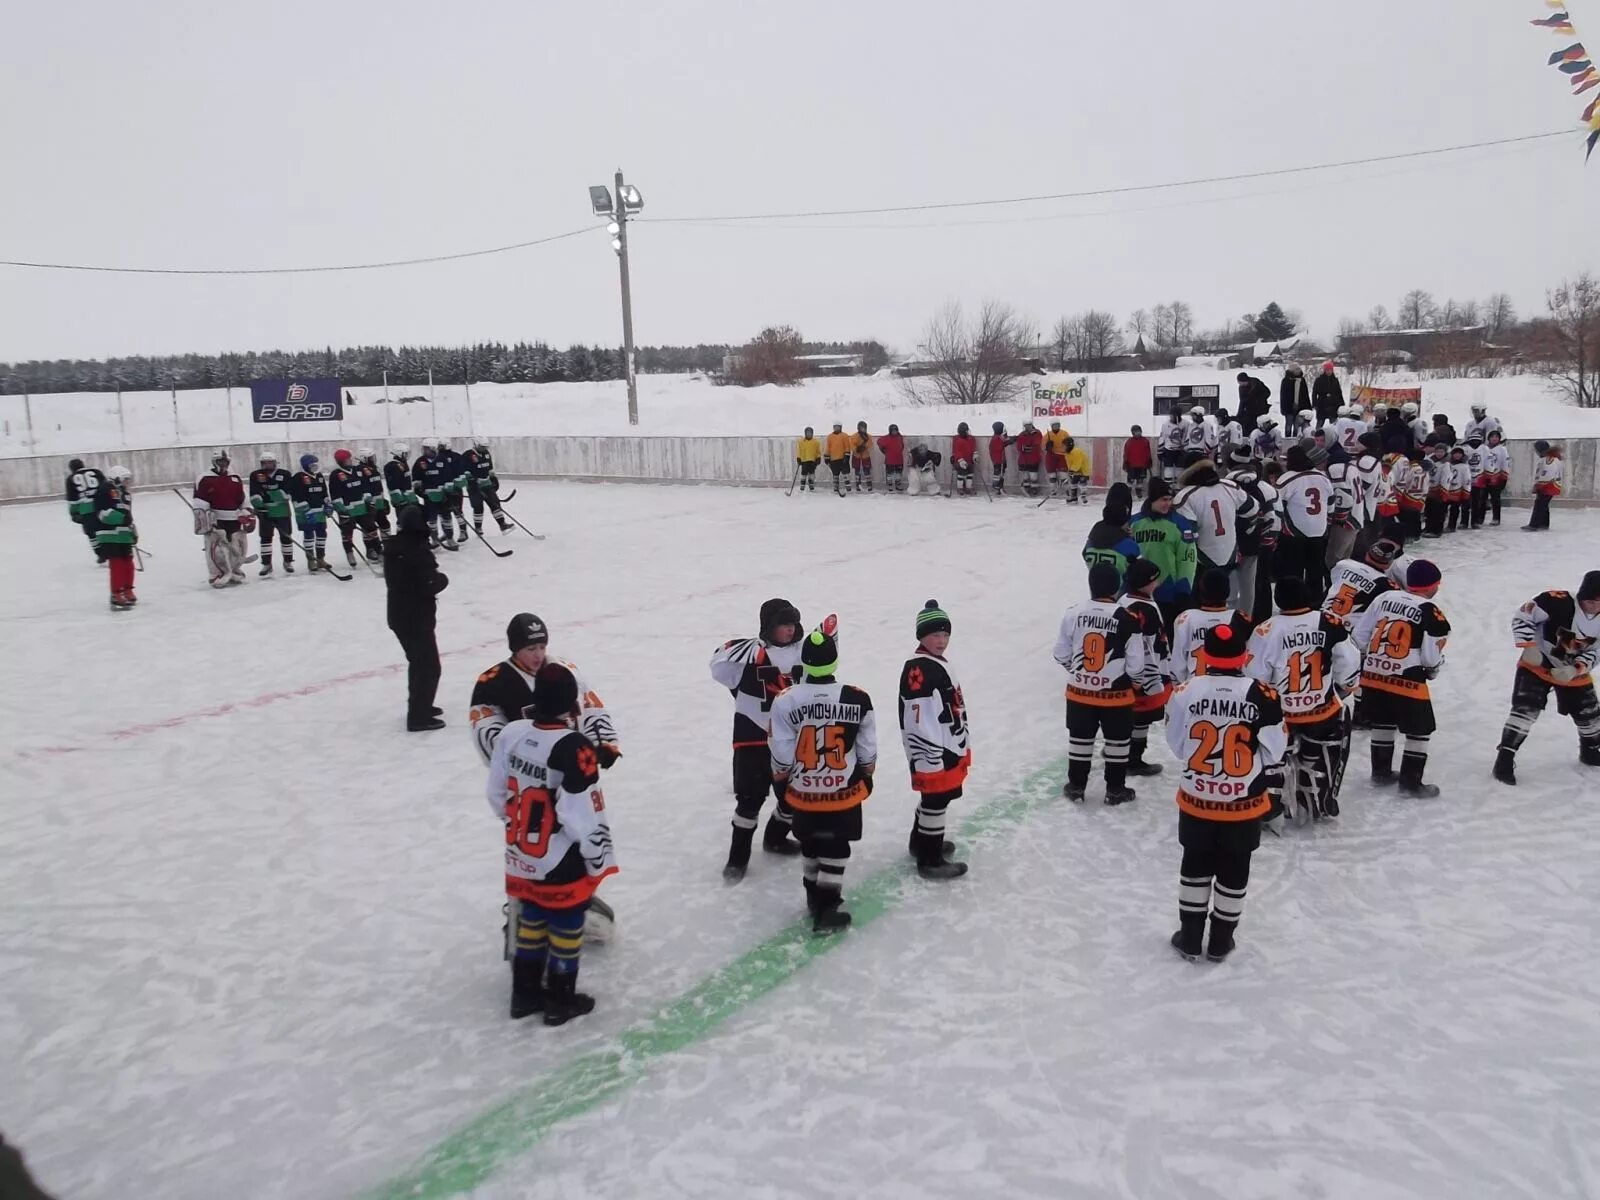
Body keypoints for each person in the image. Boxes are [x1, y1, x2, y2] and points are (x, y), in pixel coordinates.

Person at [487, 661, 616, 1024]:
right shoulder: (573, 746)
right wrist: (595, 855)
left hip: (521, 853)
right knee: (566, 925)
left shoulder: (512, 733)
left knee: (531, 919)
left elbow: (496, 792)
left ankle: (524, 996)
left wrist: (515, 830)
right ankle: (561, 999)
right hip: (560, 856)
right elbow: (579, 813)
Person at [1166, 621, 1288, 962]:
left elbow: (1177, 746)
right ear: (1244, 657)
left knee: (1195, 864)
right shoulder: (1264, 695)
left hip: (1197, 800)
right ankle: (1221, 940)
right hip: (1244, 804)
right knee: (1235, 869)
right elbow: (1274, 751)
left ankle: (1189, 936)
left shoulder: (1184, 691)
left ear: (1205, 656)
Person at [768, 626, 876, 932]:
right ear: (834, 662)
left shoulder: (785, 700)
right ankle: (827, 908)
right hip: (843, 791)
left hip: (803, 792)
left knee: (811, 844)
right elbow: (867, 749)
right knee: (837, 848)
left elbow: (782, 752)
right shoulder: (858, 698)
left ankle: (814, 898)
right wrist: (866, 774)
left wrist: (781, 780)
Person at [1245, 578, 1360, 823]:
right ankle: (1320, 797)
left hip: (1281, 716)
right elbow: (1348, 664)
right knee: (1331, 736)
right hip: (1322, 712)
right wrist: (1344, 687)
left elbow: (1255, 678)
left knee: (1273, 754)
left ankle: (1272, 803)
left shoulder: (1266, 629)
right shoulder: (1330, 622)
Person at [711, 599, 810, 880]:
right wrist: (753, 645)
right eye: (782, 624)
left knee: (794, 795)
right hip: (752, 739)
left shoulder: (803, 653)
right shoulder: (750, 655)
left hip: (791, 738)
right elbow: (718, 663)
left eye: (792, 624)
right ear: (769, 626)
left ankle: (776, 838)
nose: (790, 630)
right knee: (749, 801)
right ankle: (737, 858)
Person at [470, 613, 622, 767]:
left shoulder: (564, 670)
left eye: (542, 647)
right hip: (528, 777)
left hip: (575, 766)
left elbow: (591, 708)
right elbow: (487, 732)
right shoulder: (493, 682)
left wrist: (603, 742)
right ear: (515, 649)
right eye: (531, 649)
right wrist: (525, 765)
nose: (538, 654)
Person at [1352, 559, 1449, 797]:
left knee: (1382, 722)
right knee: (1419, 730)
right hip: (1407, 678)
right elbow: (1430, 657)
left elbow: (1360, 636)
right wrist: (1433, 669)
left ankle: (1381, 771)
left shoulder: (1384, 597)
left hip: (1373, 675)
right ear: (1432, 586)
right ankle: (1410, 782)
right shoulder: (1430, 611)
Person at [1494, 572, 1600, 784]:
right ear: (1581, 597)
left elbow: (1598, 650)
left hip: (1572, 670)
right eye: (1590, 601)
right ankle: (1504, 759)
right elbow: (1522, 616)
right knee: (1524, 713)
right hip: (1537, 665)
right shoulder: (1556, 601)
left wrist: (1577, 668)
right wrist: (1529, 646)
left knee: (1591, 715)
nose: (1595, 607)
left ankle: (1590, 751)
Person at [1054, 562, 1146, 805]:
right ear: (1117, 588)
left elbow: (1061, 653)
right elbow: (1136, 663)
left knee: (1080, 740)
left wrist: (1076, 673)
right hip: (1116, 696)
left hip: (1079, 693)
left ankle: (1076, 786)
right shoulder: (1127, 617)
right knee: (1118, 742)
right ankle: (1115, 789)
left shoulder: (1073, 612)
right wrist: (1135, 683)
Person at [899, 601, 971, 879]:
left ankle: (921, 842)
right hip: (934, 750)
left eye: (945, 635)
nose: (941, 641)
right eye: (935, 635)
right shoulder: (919, 670)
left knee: (939, 797)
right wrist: (930, 758)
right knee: (935, 800)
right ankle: (929, 859)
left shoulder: (936, 663)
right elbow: (918, 720)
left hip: (948, 745)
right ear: (921, 636)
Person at [384, 505, 449, 731]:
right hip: (414, 618)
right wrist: (442, 579)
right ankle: (419, 716)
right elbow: (427, 584)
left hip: (402, 616)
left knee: (420, 664)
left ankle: (421, 705)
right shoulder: (414, 552)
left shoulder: (398, 547)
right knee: (428, 667)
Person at [1121, 558, 1174, 777]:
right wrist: (1160, 677)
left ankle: (1118, 748)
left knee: (1126, 715)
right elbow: (1154, 645)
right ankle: (1133, 758)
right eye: (1155, 579)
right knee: (1142, 716)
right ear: (1145, 583)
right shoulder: (1148, 609)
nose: (1158, 583)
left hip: (1123, 669)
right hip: (1144, 672)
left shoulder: (1123, 600)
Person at [1130, 479, 1198, 634]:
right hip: (1139, 592)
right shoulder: (1135, 522)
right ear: (1152, 500)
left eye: (1169, 499)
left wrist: (1183, 589)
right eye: (1163, 500)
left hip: (1169, 591)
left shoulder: (1180, 524)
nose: (1168, 504)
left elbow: (1188, 558)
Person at [1176, 457, 1258, 578]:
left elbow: (1187, 534)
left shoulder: (1185, 496)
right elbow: (1253, 509)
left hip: (1201, 560)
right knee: (1226, 594)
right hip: (1230, 554)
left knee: (1201, 595)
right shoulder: (1230, 486)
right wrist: (1240, 529)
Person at [1225, 450, 1279, 621]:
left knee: (1230, 587)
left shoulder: (1224, 486)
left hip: (1228, 545)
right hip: (1256, 545)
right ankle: (1251, 620)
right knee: (1253, 586)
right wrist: (1265, 540)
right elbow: (1274, 517)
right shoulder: (1265, 488)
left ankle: (1229, 621)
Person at [1171, 569, 1246, 683]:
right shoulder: (1241, 619)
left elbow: (1178, 664)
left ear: (1200, 591)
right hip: (1234, 692)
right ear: (1228, 592)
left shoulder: (1185, 618)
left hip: (1194, 691)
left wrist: (1181, 689)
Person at [1275, 446, 1331, 596]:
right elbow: (1331, 503)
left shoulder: (1287, 479)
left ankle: (1294, 602)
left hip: (1294, 533)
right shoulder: (1323, 476)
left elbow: (1278, 505)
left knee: (1293, 571)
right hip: (1319, 530)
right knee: (1315, 570)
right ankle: (1315, 602)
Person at [193, 449, 251, 587]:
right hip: (216, 519)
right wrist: (205, 521)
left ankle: (235, 570)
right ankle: (217, 574)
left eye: (225, 461)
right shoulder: (205, 478)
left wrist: (247, 511)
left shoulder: (235, 478)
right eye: (220, 461)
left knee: (238, 546)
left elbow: (242, 498)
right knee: (217, 549)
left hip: (235, 518)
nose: (223, 463)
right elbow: (200, 503)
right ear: (214, 462)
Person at [1323, 537, 1402, 620]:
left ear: (1367, 554)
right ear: (1388, 564)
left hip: (1321, 617)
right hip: (1347, 628)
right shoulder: (1386, 585)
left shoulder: (1344, 564)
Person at [328, 448, 382, 567]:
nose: (349, 461)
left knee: (371, 528)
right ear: (340, 462)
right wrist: (341, 508)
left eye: (349, 459)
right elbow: (334, 494)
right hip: (347, 509)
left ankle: (378, 551)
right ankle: (349, 552)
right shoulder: (336, 475)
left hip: (361, 507)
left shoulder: (357, 471)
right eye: (346, 460)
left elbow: (365, 486)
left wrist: (368, 498)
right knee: (347, 532)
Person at [93, 465, 138, 610]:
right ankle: (116, 593)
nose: (127, 483)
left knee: (128, 563)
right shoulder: (105, 489)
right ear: (116, 478)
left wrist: (132, 530)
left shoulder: (125, 494)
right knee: (117, 564)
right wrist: (119, 519)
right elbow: (102, 512)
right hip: (110, 534)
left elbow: (128, 516)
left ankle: (127, 589)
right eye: (125, 479)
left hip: (124, 534)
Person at [1082, 482, 1142, 588]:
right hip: (1121, 597)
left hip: (1096, 592)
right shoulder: (1127, 544)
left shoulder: (1094, 534)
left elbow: (1085, 553)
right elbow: (1139, 566)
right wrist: (1131, 539)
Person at [249, 451, 295, 575]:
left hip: (282, 511)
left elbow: (286, 495)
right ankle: (266, 564)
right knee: (265, 538)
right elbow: (254, 494)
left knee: (286, 537)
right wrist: (259, 504)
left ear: (275, 463)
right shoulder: (255, 475)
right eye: (265, 463)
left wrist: (269, 494)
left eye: (270, 462)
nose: (268, 465)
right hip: (265, 512)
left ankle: (288, 562)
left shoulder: (285, 474)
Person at [463, 439, 515, 535]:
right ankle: (478, 528)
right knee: (478, 507)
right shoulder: (467, 455)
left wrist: (493, 477)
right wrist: (471, 479)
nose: (484, 448)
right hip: (474, 486)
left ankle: (502, 525)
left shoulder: (486, 453)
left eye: (485, 447)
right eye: (482, 446)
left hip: (486, 483)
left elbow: (489, 467)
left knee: (495, 503)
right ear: (476, 445)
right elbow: (463, 470)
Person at [290, 453, 331, 571]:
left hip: (319, 512)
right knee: (309, 536)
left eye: (316, 465)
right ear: (306, 466)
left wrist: (327, 504)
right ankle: (311, 560)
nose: (315, 467)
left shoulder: (319, 476)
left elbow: (324, 492)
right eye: (312, 465)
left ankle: (321, 559)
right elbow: (296, 497)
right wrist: (306, 510)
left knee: (322, 534)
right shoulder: (298, 477)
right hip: (306, 513)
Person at [64, 457, 107, 561]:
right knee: (106, 528)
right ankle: (112, 549)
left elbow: (72, 499)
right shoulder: (96, 472)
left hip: (86, 509)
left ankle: (101, 554)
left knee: (91, 532)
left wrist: (74, 513)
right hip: (101, 505)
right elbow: (107, 486)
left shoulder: (71, 479)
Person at [412, 442, 454, 546]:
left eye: (427, 449)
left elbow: (448, 476)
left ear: (433, 449)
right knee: (432, 519)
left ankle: (449, 538)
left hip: (443, 496)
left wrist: (448, 492)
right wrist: (422, 493)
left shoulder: (442, 460)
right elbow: (416, 480)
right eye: (424, 448)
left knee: (446, 517)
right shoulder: (419, 462)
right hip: (429, 497)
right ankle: (434, 539)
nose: (424, 451)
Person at [437, 440, 471, 544]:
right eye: (439, 446)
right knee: (444, 513)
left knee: (457, 511)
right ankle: (447, 532)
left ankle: (463, 531)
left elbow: (461, 472)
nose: (440, 447)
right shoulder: (436, 458)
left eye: (441, 446)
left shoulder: (456, 457)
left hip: (455, 489)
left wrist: (456, 486)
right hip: (443, 489)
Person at [1526, 441, 1562, 532]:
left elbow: (1548, 473)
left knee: (1539, 505)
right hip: (1548, 485)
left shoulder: (1550, 459)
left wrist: (1539, 485)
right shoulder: (1548, 458)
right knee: (1544, 505)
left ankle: (1534, 525)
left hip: (1548, 485)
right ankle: (1544, 524)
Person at [1482, 430, 1510, 526]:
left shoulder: (1502, 449)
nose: (1494, 438)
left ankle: (1496, 518)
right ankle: (1480, 518)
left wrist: (1504, 478)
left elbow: (1505, 464)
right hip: (1484, 477)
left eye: (1496, 437)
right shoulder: (1484, 448)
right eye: (1492, 436)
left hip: (1497, 476)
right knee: (1482, 499)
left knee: (1495, 499)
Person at [1157, 405, 1189, 485]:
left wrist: (1185, 447)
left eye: (1173, 415)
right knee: (1168, 471)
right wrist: (1160, 451)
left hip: (1181, 451)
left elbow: (1187, 437)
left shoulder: (1186, 424)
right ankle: (1169, 488)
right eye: (1170, 415)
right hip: (1168, 450)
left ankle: (1179, 489)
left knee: (1180, 471)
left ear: (1178, 415)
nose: (1171, 417)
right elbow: (1162, 438)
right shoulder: (1165, 425)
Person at [1444, 445, 1472, 534]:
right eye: (1455, 453)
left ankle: (1452, 526)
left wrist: (1466, 491)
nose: (1457, 455)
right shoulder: (1447, 465)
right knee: (1443, 508)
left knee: (1455, 509)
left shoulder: (1464, 466)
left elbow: (1467, 479)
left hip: (1459, 490)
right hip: (1447, 489)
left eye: (1459, 454)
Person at [383, 445, 419, 515]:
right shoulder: (392, 466)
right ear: (400, 453)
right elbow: (393, 484)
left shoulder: (403, 464)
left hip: (408, 497)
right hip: (401, 498)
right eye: (405, 453)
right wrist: (399, 498)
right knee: (403, 516)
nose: (407, 456)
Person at [1015, 420, 1045, 496]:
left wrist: (1028, 446)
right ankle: (1026, 489)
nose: (1027, 427)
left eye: (1029, 425)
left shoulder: (1037, 433)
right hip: (1023, 459)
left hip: (1033, 458)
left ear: (1031, 425)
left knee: (1033, 475)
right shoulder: (1022, 434)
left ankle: (1034, 490)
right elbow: (1019, 446)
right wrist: (1023, 448)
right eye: (1026, 426)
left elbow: (1037, 444)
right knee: (1025, 476)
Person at [1123, 425, 1153, 498]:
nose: (1138, 433)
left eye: (1139, 431)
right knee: (1130, 480)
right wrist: (1125, 462)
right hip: (1132, 465)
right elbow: (1126, 452)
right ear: (1133, 433)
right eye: (1136, 432)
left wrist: (1149, 461)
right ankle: (1128, 493)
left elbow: (1148, 452)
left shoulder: (1145, 441)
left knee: (1140, 480)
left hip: (1142, 465)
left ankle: (1138, 491)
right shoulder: (1129, 442)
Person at [1312, 361, 1344, 426]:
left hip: (1333, 406)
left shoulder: (1335, 380)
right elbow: (1314, 393)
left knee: (1334, 426)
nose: (1329, 372)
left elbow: (1339, 392)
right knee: (1319, 425)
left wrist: (1341, 403)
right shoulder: (1319, 380)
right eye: (1327, 370)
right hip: (1322, 405)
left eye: (1330, 370)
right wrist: (1314, 404)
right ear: (1324, 370)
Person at [951, 422, 978, 496]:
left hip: (969, 460)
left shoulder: (971, 439)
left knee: (970, 473)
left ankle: (968, 487)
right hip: (960, 461)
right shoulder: (958, 440)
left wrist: (975, 455)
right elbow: (957, 451)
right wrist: (960, 460)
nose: (968, 432)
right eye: (966, 431)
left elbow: (973, 447)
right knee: (961, 474)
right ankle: (960, 488)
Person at [1043, 420, 1071, 493]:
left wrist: (1067, 447)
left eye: (1057, 425)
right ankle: (1053, 490)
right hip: (1051, 456)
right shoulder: (1047, 435)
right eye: (1054, 425)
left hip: (1062, 455)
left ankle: (1067, 490)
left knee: (1063, 475)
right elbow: (1042, 446)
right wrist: (1047, 446)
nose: (1056, 426)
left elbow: (1070, 443)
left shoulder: (1064, 433)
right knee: (1052, 475)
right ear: (1051, 426)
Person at [825, 422, 851, 496]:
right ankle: (836, 489)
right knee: (835, 474)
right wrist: (827, 457)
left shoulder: (844, 436)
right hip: (833, 459)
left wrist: (847, 456)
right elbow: (828, 447)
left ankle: (848, 489)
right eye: (835, 427)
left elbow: (847, 446)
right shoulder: (830, 436)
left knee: (845, 473)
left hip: (843, 459)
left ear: (841, 427)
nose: (836, 428)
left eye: (838, 427)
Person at [988, 421, 1014, 495]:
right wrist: (1007, 439)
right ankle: (997, 487)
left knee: (1001, 473)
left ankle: (1000, 487)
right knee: (998, 474)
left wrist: (1011, 440)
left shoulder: (997, 438)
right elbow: (1001, 445)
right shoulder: (996, 438)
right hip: (999, 460)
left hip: (1000, 459)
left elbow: (1004, 443)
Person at [879, 423, 906, 493]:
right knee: (889, 473)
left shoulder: (900, 437)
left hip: (899, 459)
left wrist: (900, 450)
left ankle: (898, 485)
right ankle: (890, 485)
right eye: (893, 431)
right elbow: (879, 441)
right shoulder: (886, 438)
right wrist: (883, 450)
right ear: (890, 431)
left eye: (895, 430)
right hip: (889, 460)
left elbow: (902, 446)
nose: (894, 432)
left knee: (898, 473)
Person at [850, 421, 875, 493]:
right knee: (857, 471)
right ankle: (858, 485)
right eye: (861, 428)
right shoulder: (854, 436)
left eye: (864, 428)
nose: (863, 429)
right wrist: (856, 449)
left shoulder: (868, 436)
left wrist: (864, 447)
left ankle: (869, 485)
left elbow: (870, 443)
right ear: (858, 428)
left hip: (865, 456)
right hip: (856, 456)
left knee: (867, 471)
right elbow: (851, 444)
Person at [795, 426, 821, 493]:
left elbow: (818, 451)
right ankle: (802, 486)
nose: (809, 434)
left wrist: (818, 457)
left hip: (812, 460)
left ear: (812, 433)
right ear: (805, 433)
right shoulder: (801, 442)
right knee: (804, 473)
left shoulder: (816, 442)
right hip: (804, 460)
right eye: (807, 433)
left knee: (811, 473)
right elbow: (799, 451)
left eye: (810, 433)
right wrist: (798, 458)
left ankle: (811, 486)